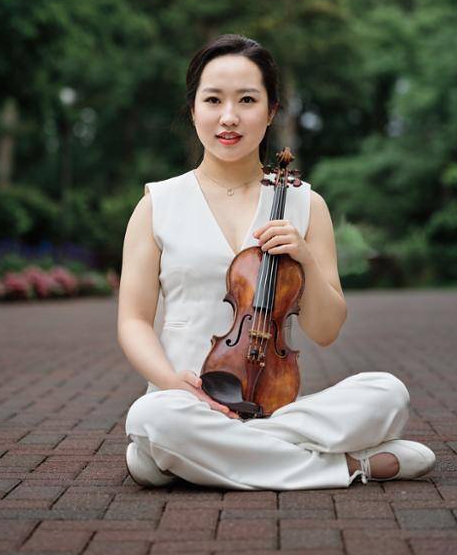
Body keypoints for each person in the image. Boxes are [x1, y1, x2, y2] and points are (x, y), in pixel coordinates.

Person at [118, 34, 436, 490]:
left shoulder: (307, 206)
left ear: (271, 111)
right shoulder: (158, 204)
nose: (229, 117)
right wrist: (171, 382)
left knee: (388, 394)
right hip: (183, 402)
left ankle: (218, 453)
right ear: (194, 110)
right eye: (213, 100)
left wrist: (303, 257)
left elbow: (325, 332)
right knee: (151, 415)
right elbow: (133, 320)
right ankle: (348, 465)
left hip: (276, 404)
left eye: (247, 100)